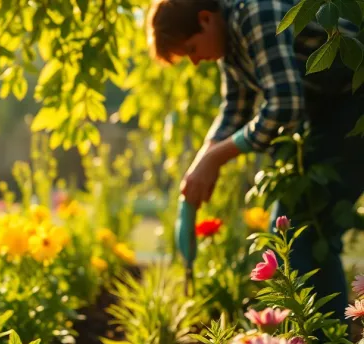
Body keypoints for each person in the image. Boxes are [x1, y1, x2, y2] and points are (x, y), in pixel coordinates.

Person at [146, 0, 364, 324]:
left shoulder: (255, 11)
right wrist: (199, 168)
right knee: (307, 230)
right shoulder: (229, 42)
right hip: (324, 116)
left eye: (191, 49)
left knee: (299, 231)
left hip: (353, 105)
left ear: (205, 19)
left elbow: (285, 106)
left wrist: (216, 157)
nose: (195, 61)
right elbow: (235, 107)